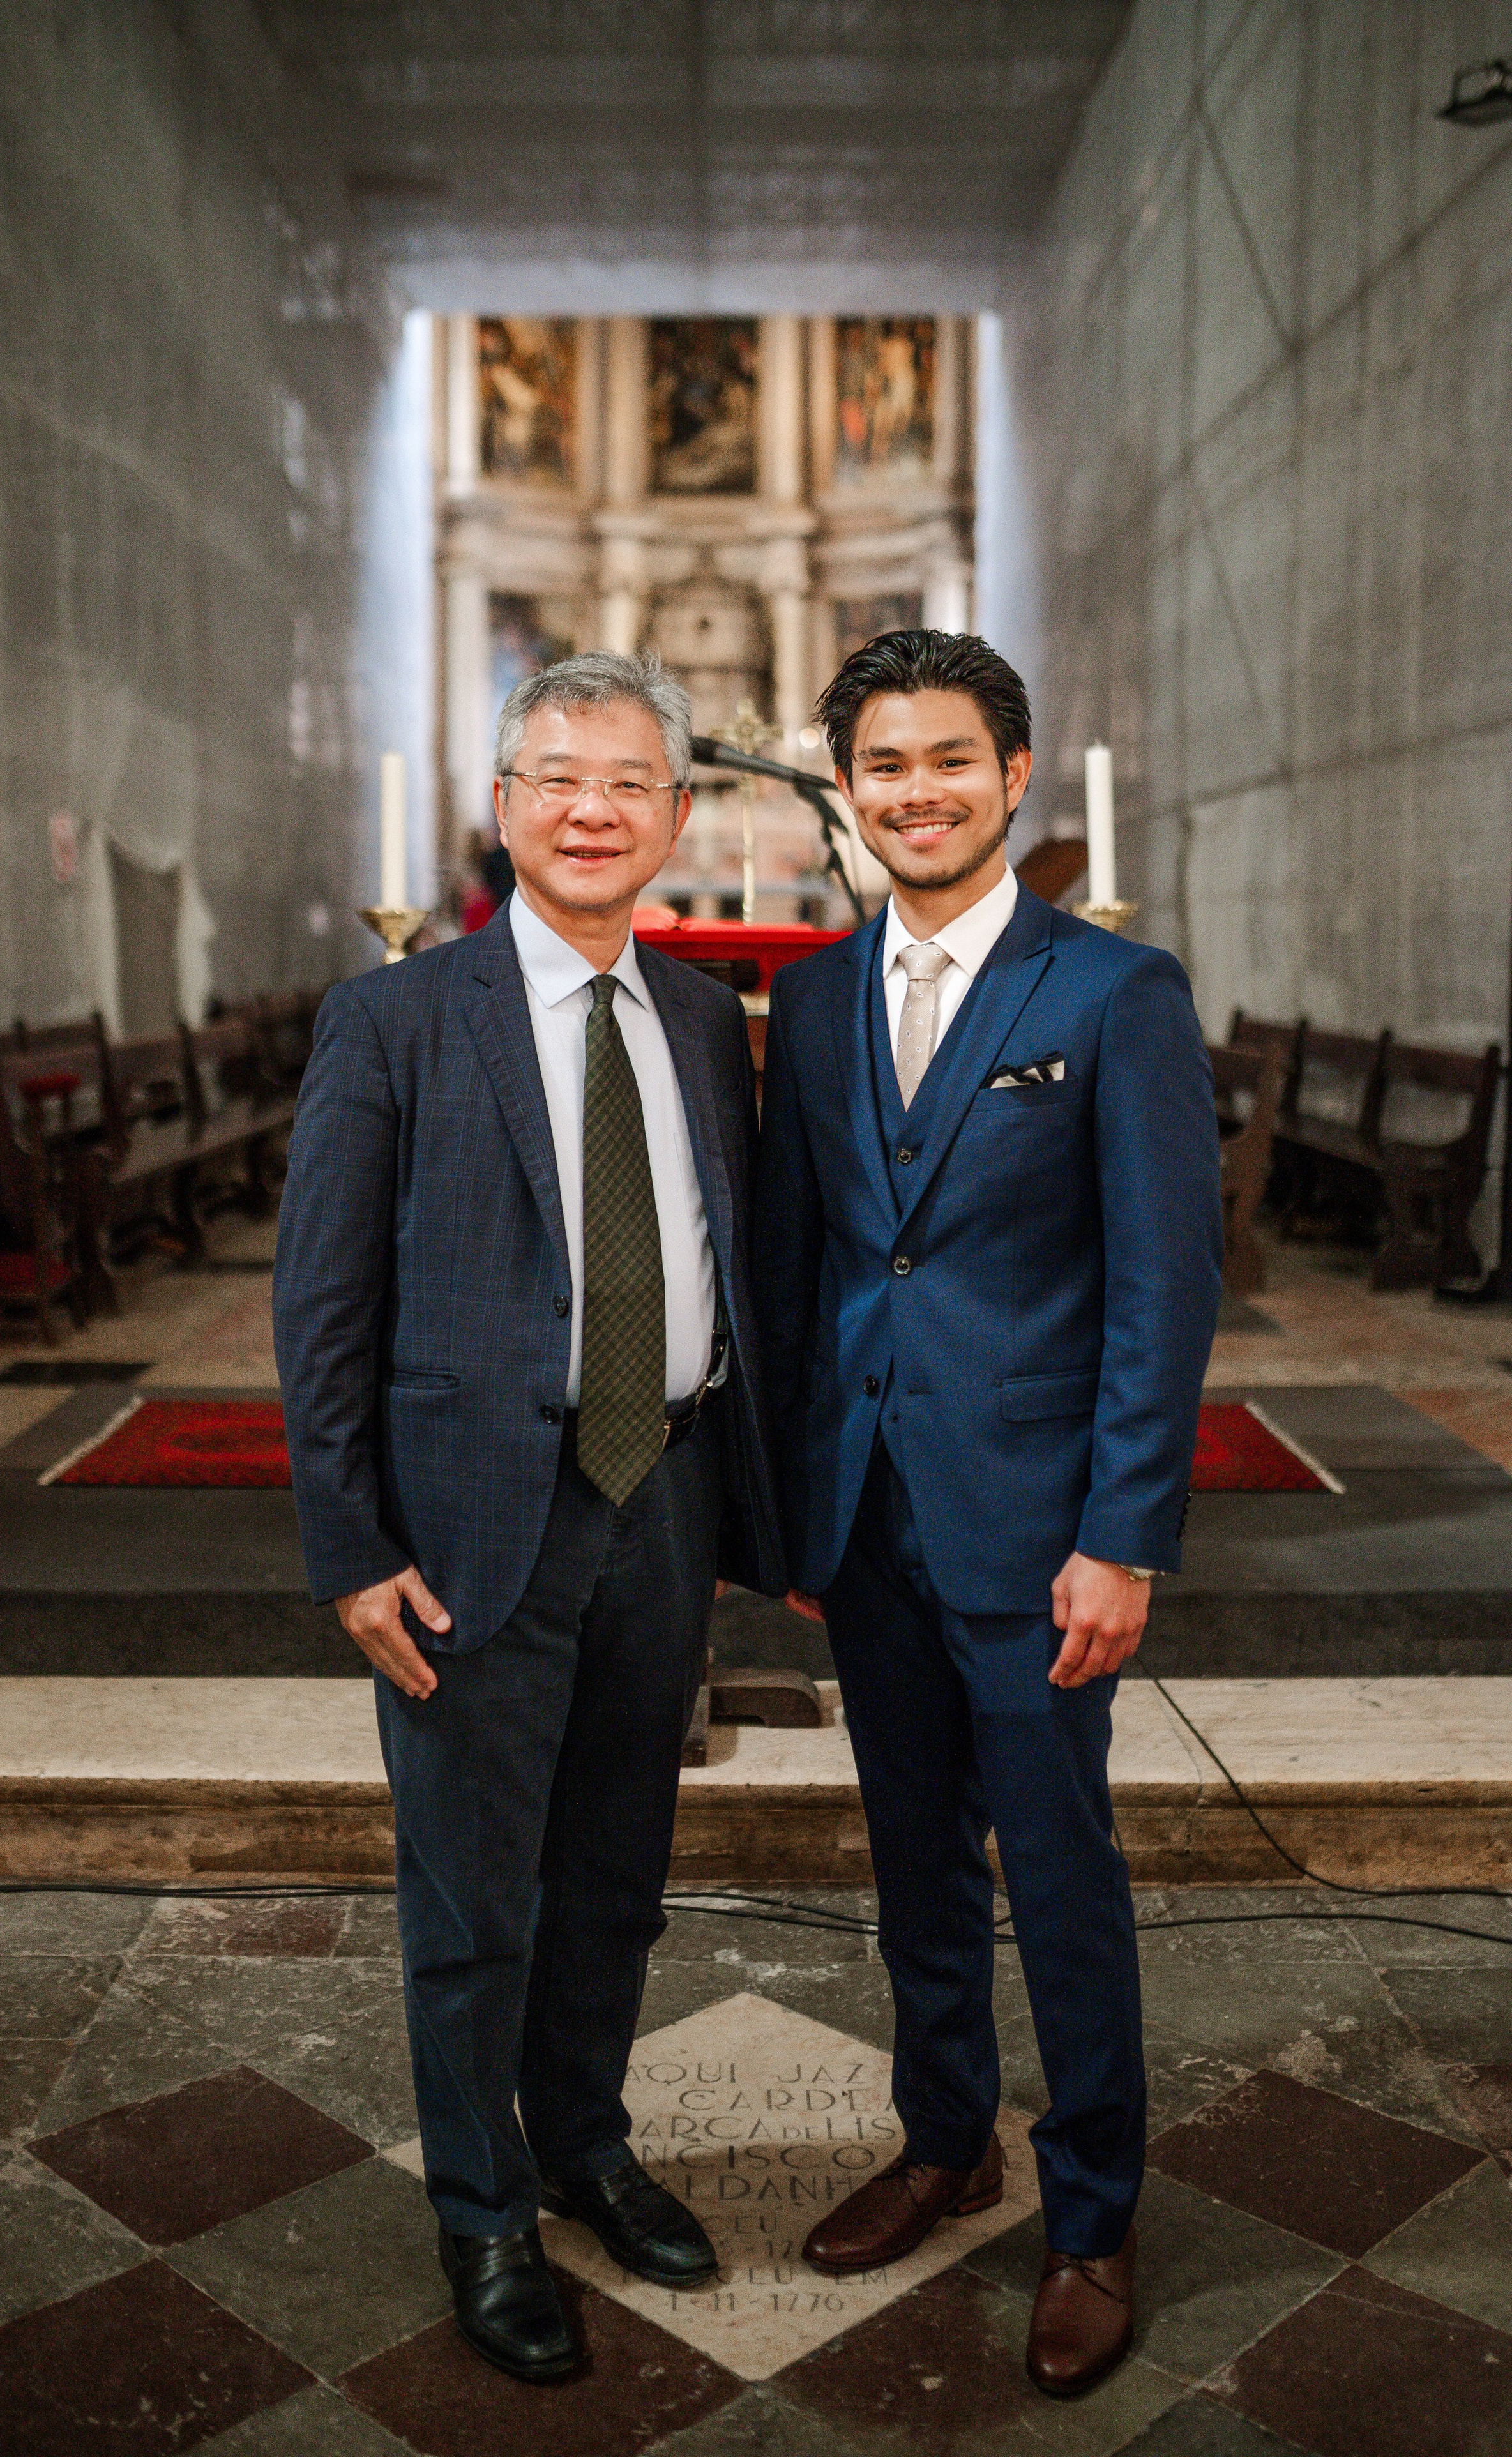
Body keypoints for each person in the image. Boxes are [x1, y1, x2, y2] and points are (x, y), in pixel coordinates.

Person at [274, 650, 783, 2384]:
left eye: (628, 780)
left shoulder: (708, 1019)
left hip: (666, 1500)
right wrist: (349, 1544)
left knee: (617, 1879)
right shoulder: (395, 1020)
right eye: (556, 776)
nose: (591, 807)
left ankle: (584, 2141)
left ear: (677, 815)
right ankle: (485, 2210)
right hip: (477, 1520)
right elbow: (322, 1308)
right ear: (503, 810)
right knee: (474, 1896)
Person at [753, 630, 1221, 2398]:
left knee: (1066, 1874)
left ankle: (1092, 2214)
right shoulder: (805, 1002)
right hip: (870, 1520)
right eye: (883, 765)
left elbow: (1161, 1294)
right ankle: (944, 2139)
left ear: (1015, 775)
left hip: (1042, 1535)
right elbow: (806, 1271)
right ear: (848, 790)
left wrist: (1126, 1535)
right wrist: (801, 1519)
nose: (917, 792)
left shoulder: (1115, 995)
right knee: (911, 1860)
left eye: (950, 759)